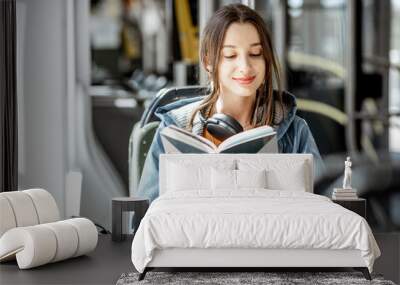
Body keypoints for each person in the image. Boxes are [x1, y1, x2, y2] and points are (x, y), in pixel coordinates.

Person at [136, 4, 323, 202]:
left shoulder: (295, 132)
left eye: (255, 53)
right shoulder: (174, 129)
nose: (245, 66)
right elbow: (144, 217)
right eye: (230, 55)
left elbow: (323, 211)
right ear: (208, 62)